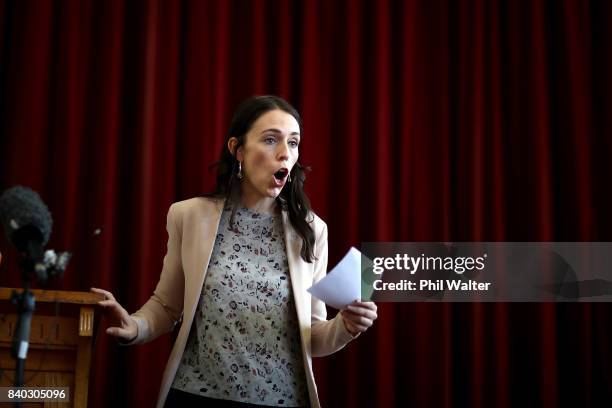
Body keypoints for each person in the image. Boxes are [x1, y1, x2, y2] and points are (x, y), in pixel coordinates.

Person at [91, 95, 377, 408]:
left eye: (293, 143)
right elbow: (167, 306)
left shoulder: (311, 230)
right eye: (271, 140)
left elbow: (313, 336)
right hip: (195, 397)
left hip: (282, 401)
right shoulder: (188, 215)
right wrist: (134, 327)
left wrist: (345, 327)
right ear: (237, 150)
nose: (285, 153)